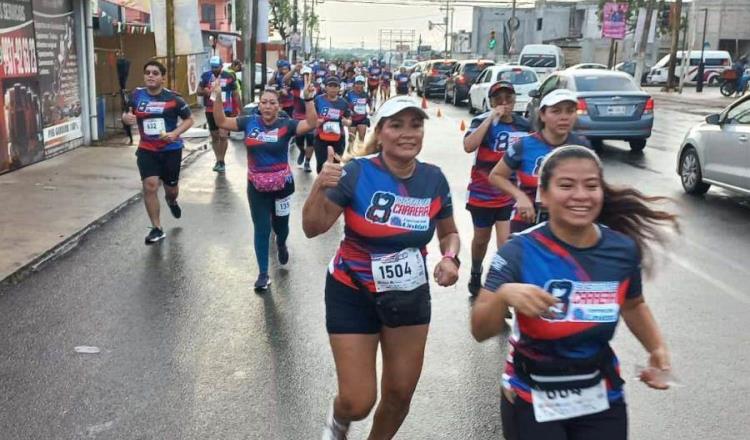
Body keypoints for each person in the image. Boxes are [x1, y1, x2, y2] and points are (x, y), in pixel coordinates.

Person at [471, 144, 677, 440]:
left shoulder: (621, 249)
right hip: (532, 396)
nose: (581, 195)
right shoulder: (518, 251)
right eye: (566, 185)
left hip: (600, 392)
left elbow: (633, 305)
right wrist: (504, 295)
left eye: (591, 186)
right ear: (543, 192)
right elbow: (479, 329)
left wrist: (657, 349)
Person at [302, 96, 460, 440]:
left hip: (409, 294)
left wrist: (450, 258)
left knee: (400, 394)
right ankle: (340, 418)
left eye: (415, 125)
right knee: (359, 401)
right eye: (397, 125)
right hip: (352, 289)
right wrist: (319, 185)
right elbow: (312, 228)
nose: (408, 133)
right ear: (381, 132)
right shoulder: (357, 172)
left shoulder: (434, 180)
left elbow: (449, 233)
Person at [210, 72, 318, 290]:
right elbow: (220, 121)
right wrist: (217, 98)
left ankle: (281, 243)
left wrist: (308, 99)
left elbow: (312, 123)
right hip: (256, 186)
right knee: (261, 227)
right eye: (264, 102)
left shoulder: (286, 125)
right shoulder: (249, 122)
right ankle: (262, 274)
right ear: (259, 106)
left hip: (282, 186)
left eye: (272, 103)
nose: (268, 106)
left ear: (278, 106)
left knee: (281, 226)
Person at [489, 89, 589, 234]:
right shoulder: (524, 145)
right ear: (542, 115)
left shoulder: (581, 147)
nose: (564, 117)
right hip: (528, 221)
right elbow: (496, 176)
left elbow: (593, 184)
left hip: (568, 222)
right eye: (556, 111)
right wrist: (520, 196)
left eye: (570, 111)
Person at [463, 81, 531, 296]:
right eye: (498, 99)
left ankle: (502, 291)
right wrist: (490, 118)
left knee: (506, 244)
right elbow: (468, 146)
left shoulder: (524, 126)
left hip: (509, 194)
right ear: (491, 102)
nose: (504, 103)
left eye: (508, 98)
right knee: (481, 239)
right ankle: (475, 271)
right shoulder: (482, 121)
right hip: (482, 193)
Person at [122, 60, 194, 244]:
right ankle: (157, 228)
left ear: (163, 78)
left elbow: (189, 120)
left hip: (171, 150)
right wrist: (127, 118)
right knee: (150, 185)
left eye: (155, 73)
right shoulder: (136, 96)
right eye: (147, 72)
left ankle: (171, 201)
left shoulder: (174, 98)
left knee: (171, 190)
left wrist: (174, 133)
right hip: (147, 149)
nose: (150, 76)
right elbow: (126, 114)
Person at [198, 55, 239, 173]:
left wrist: (239, 109)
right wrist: (205, 91)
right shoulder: (206, 76)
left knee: (223, 135)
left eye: (217, 67)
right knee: (215, 136)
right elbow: (199, 91)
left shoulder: (229, 76)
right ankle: (218, 160)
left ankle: (222, 161)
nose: (215, 69)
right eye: (213, 67)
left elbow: (235, 94)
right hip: (210, 110)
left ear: (221, 66)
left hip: (225, 109)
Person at [313, 76, 352, 174]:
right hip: (321, 137)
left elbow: (349, 119)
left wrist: (347, 122)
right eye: (330, 86)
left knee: (335, 165)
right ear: (325, 87)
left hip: (338, 139)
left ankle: (332, 188)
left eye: (335, 86)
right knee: (321, 165)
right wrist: (316, 122)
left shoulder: (343, 103)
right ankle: (321, 185)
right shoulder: (318, 100)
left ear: (339, 88)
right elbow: (311, 116)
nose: (333, 89)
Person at [289, 62, 315, 172]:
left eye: (308, 74)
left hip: (310, 117)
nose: (306, 76)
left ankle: (307, 162)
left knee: (311, 141)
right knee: (299, 141)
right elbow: (285, 81)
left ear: (311, 75)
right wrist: (294, 69)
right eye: (304, 74)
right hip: (298, 117)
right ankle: (302, 151)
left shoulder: (317, 86)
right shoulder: (296, 83)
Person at [345, 75, 371, 149]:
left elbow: (370, 103)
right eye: (357, 83)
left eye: (361, 83)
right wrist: (349, 112)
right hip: (352, 119)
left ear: (363, 84)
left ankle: (359, 156)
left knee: (361, 138)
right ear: (354, 84)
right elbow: (344, 106)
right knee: (351, 139)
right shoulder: (349, 94)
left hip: (363, 118)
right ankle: (349, 154)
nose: (359, 85)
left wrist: (371, 109)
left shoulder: (366, 94)